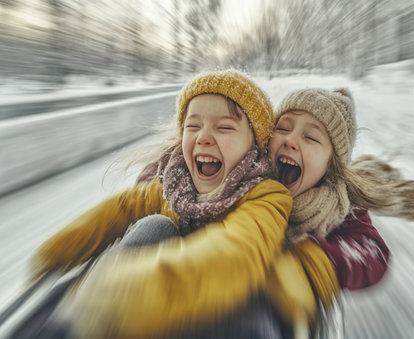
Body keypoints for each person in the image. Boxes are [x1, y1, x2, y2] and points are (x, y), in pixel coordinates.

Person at [27, 69, 309, 339]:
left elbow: (238, 250)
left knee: (253, 306)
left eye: (224, 127)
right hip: (143, 313)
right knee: (155, 225)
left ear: (254, 144)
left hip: (214, 311)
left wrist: (132, 292)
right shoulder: (174, 186)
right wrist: (58, 250)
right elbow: (124, 207)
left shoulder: (266, 195)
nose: (204, 137)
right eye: (193, 126)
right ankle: (73, 318)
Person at [263, 87, 414, 337]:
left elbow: (372, 251)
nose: (290, 140)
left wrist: (318, 259)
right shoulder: (250, 177)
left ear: (331, 165)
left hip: (291, 312)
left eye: (311, 138)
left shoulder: (339, 208)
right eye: (283, 128)